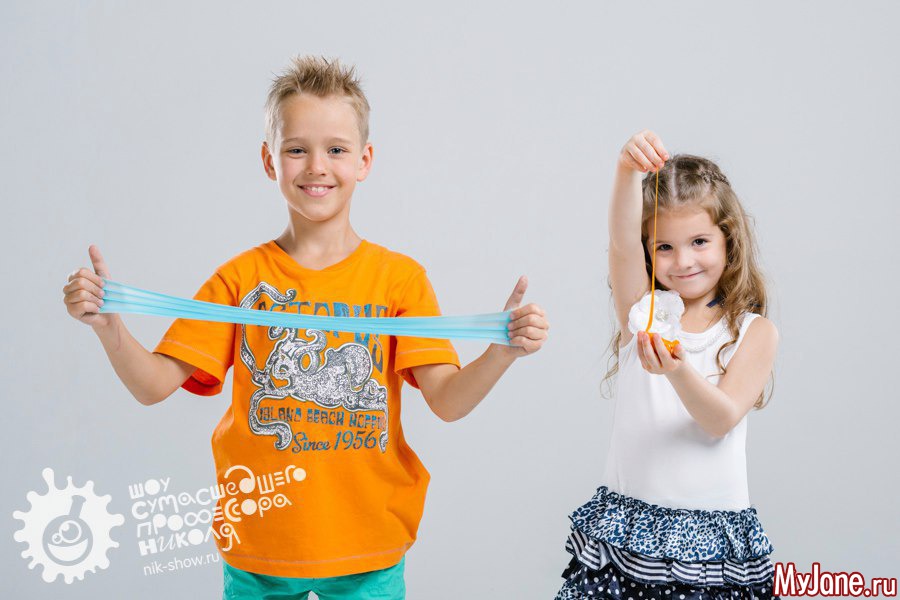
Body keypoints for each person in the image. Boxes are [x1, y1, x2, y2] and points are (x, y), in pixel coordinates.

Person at [63, 55, 549, 600]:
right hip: (260, 546)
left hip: (370, 545)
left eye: (336, 149)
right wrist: (109, 327)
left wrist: (501, 353)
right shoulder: (239, 280)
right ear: (269, 161)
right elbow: (153, 385)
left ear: (364, 161)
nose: (317, 166)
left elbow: (448, 401)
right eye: (297, 149)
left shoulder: (399, 281)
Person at [555, 130, 779, 600]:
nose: (683, 261)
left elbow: (720, 418)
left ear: (727, 240)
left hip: (712, 540)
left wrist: (677, 369)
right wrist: (625, 170)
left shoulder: (752, 332)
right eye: (664, 247)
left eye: (699, 241)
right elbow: (620, 243)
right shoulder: (643, 311)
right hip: (628, 526)